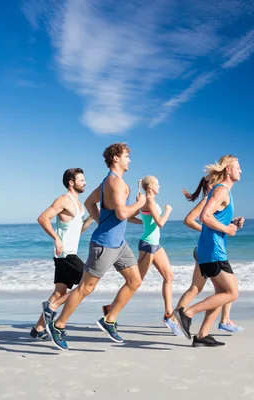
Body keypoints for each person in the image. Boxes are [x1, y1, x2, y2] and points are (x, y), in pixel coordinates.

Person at [45, 143, 146, 350]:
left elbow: (91, 204)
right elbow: (122, 214)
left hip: (119, 244)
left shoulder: (115, 183)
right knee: (86, 288)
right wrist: (141, 203)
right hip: (104, 245)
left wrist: (103, 221)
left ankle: (109, 320)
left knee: (135, 281)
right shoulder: (113, 182)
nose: (130, 160)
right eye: (127, 156)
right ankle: (58, 325)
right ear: (116, 158)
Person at [174, 155, 244, 347]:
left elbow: (214, 218)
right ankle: (186, 313)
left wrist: (231, 223)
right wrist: (227, 229)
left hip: (211, 249)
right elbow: (204, 216)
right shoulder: (221, 190)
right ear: (228, 170)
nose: (241, 170)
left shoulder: (225, 192)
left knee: (221, 292)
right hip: (213, 251)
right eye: (238, 167)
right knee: (232, 293)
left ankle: (203, 335)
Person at [103, 176, 182, 335]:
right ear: (151, 186)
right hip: (147, 246)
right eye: (158, 183)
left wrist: (145, 222)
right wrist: (168, 211)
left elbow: (134, 218)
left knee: (169, 276)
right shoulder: (149, 201)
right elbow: (160, 223)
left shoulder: (148, 200)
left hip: (155, 245)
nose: (160, 186)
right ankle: (110, 309)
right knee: (135, 282)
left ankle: (168, 315)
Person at [30, 168, 93, 340]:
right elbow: (43, 218)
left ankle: (38, 329)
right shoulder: (64, 200)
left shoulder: (78, 205)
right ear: (71, 182)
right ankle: (54, 311)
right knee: (87, 284)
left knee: (59, 291)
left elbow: (77, 231)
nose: (85, 182)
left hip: (66, 254)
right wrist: (57, 238)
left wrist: (91, 218)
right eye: (81, 180)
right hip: (66, 254)